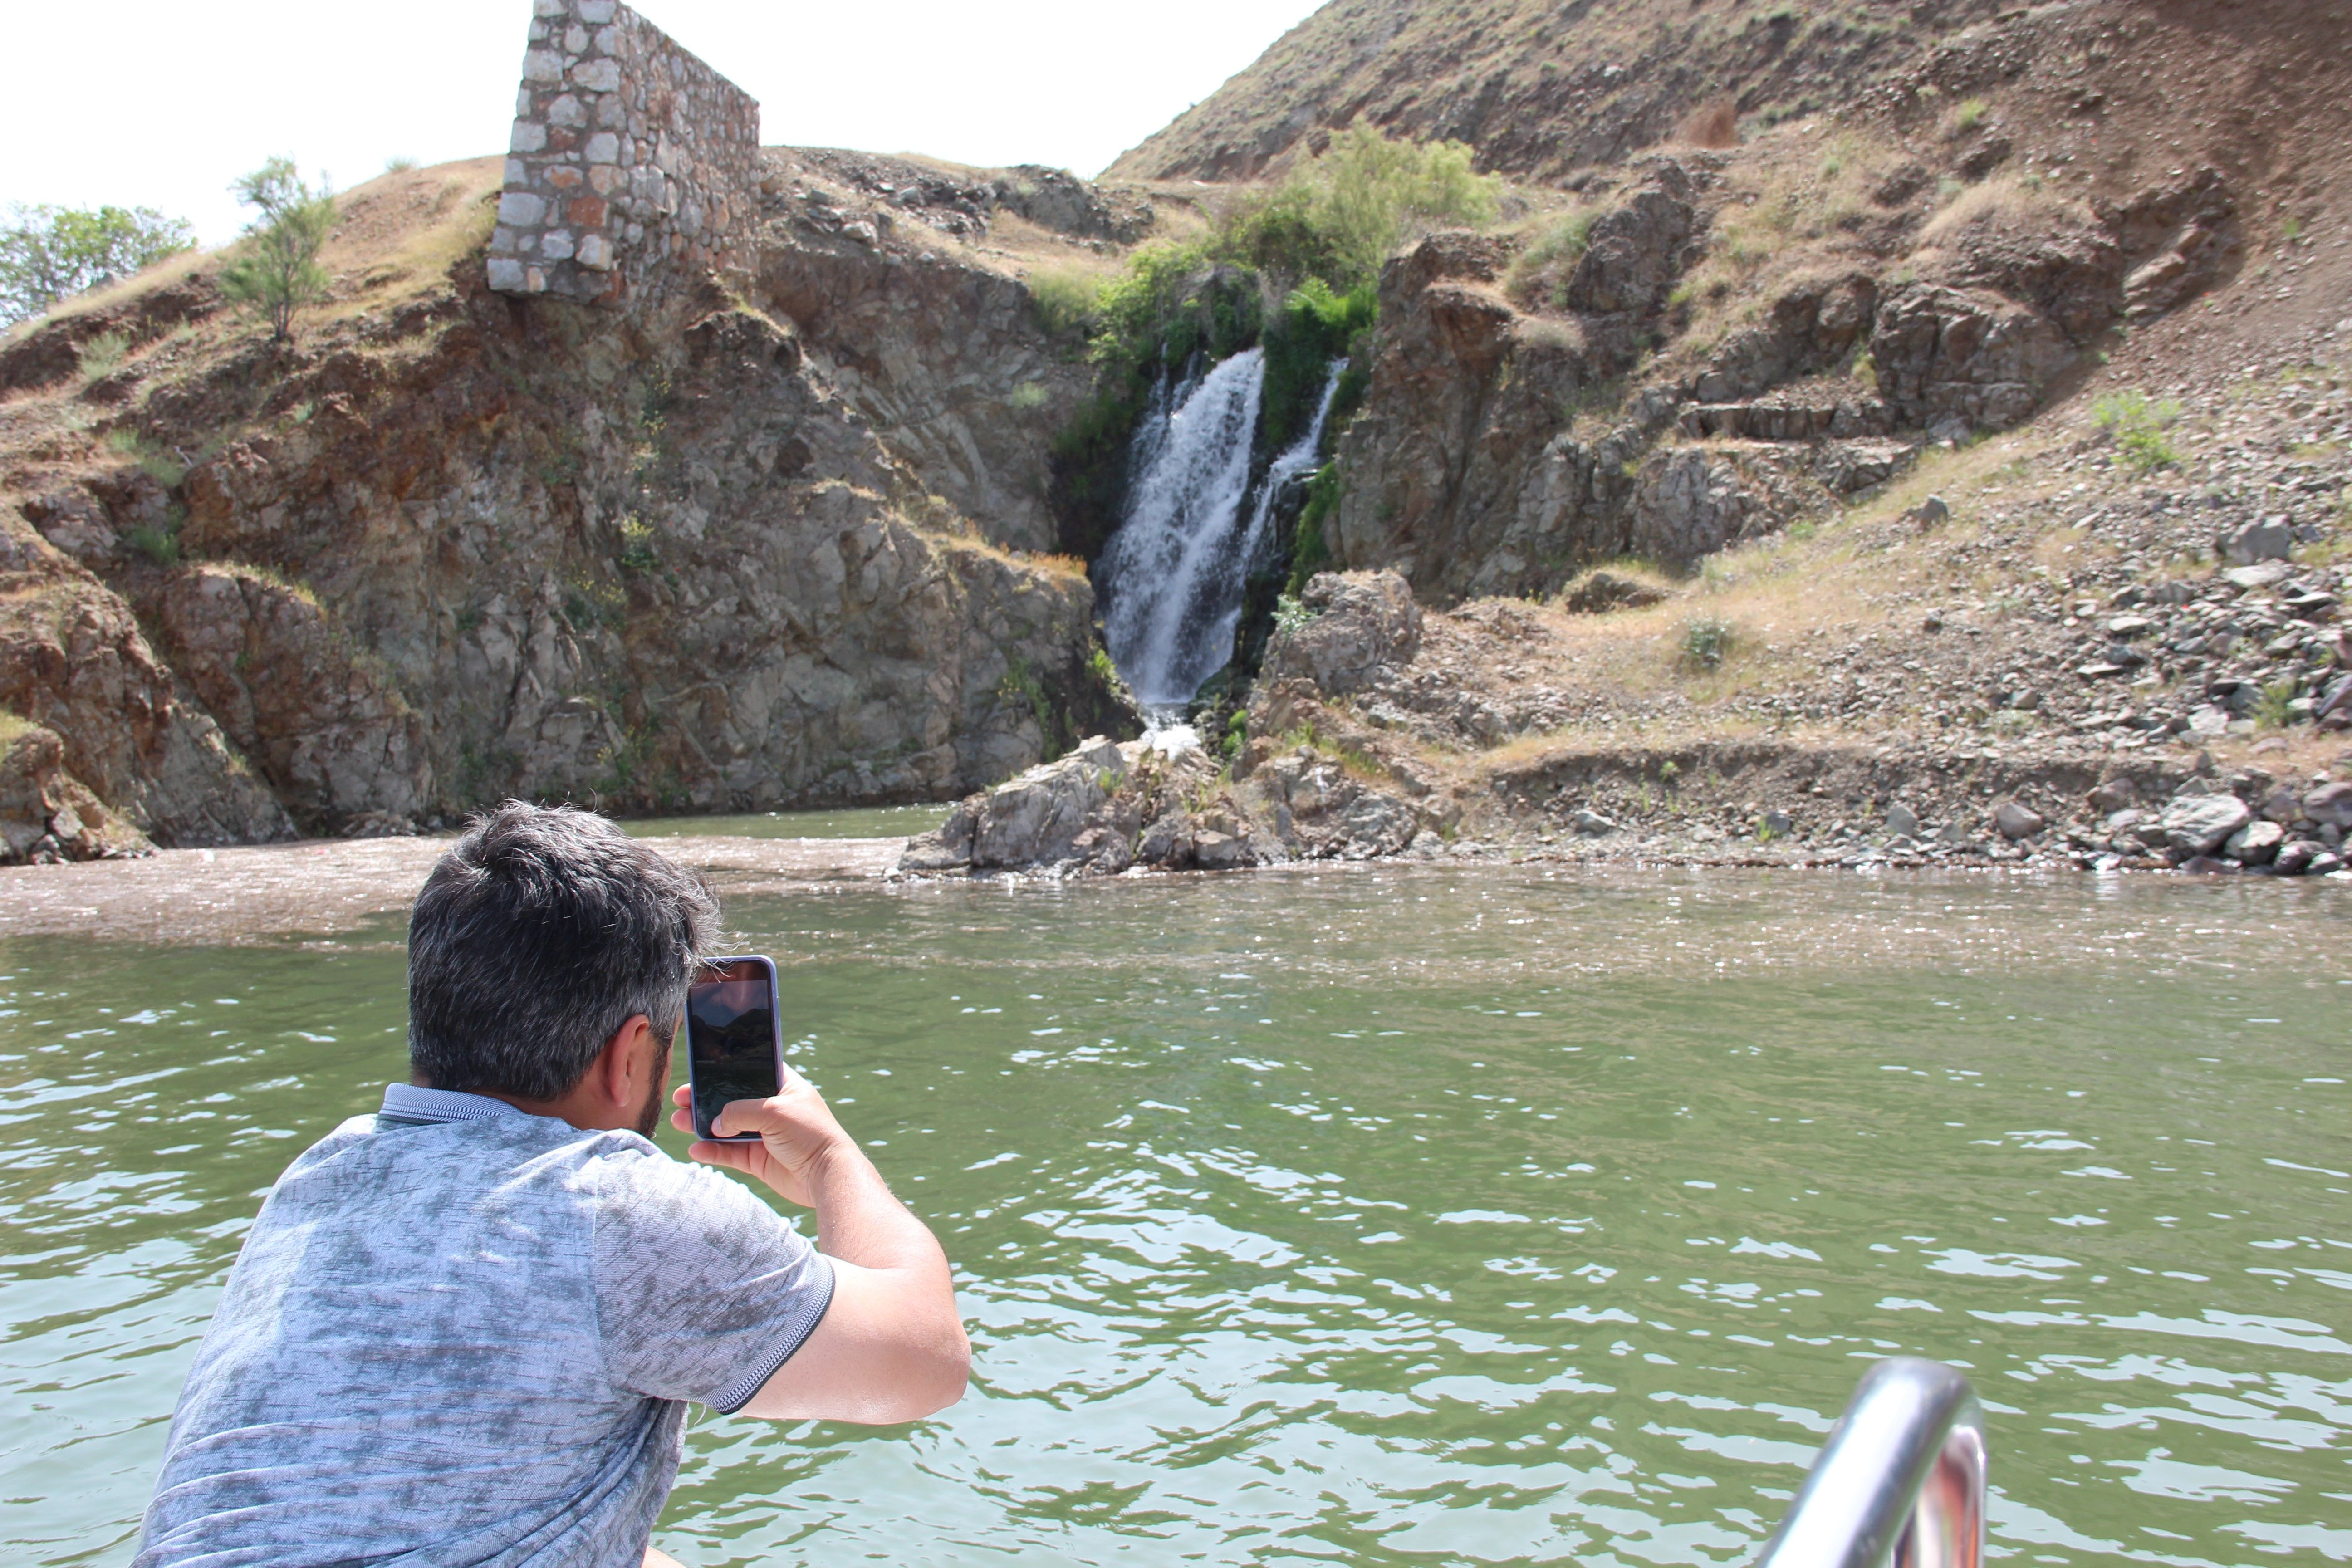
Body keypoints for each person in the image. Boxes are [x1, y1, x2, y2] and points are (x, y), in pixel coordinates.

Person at [134, 802, 968, 1568]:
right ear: (627, 1056)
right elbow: (926, 1360)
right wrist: (828, 1161)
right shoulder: (613, 1207)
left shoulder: (321, 1177)